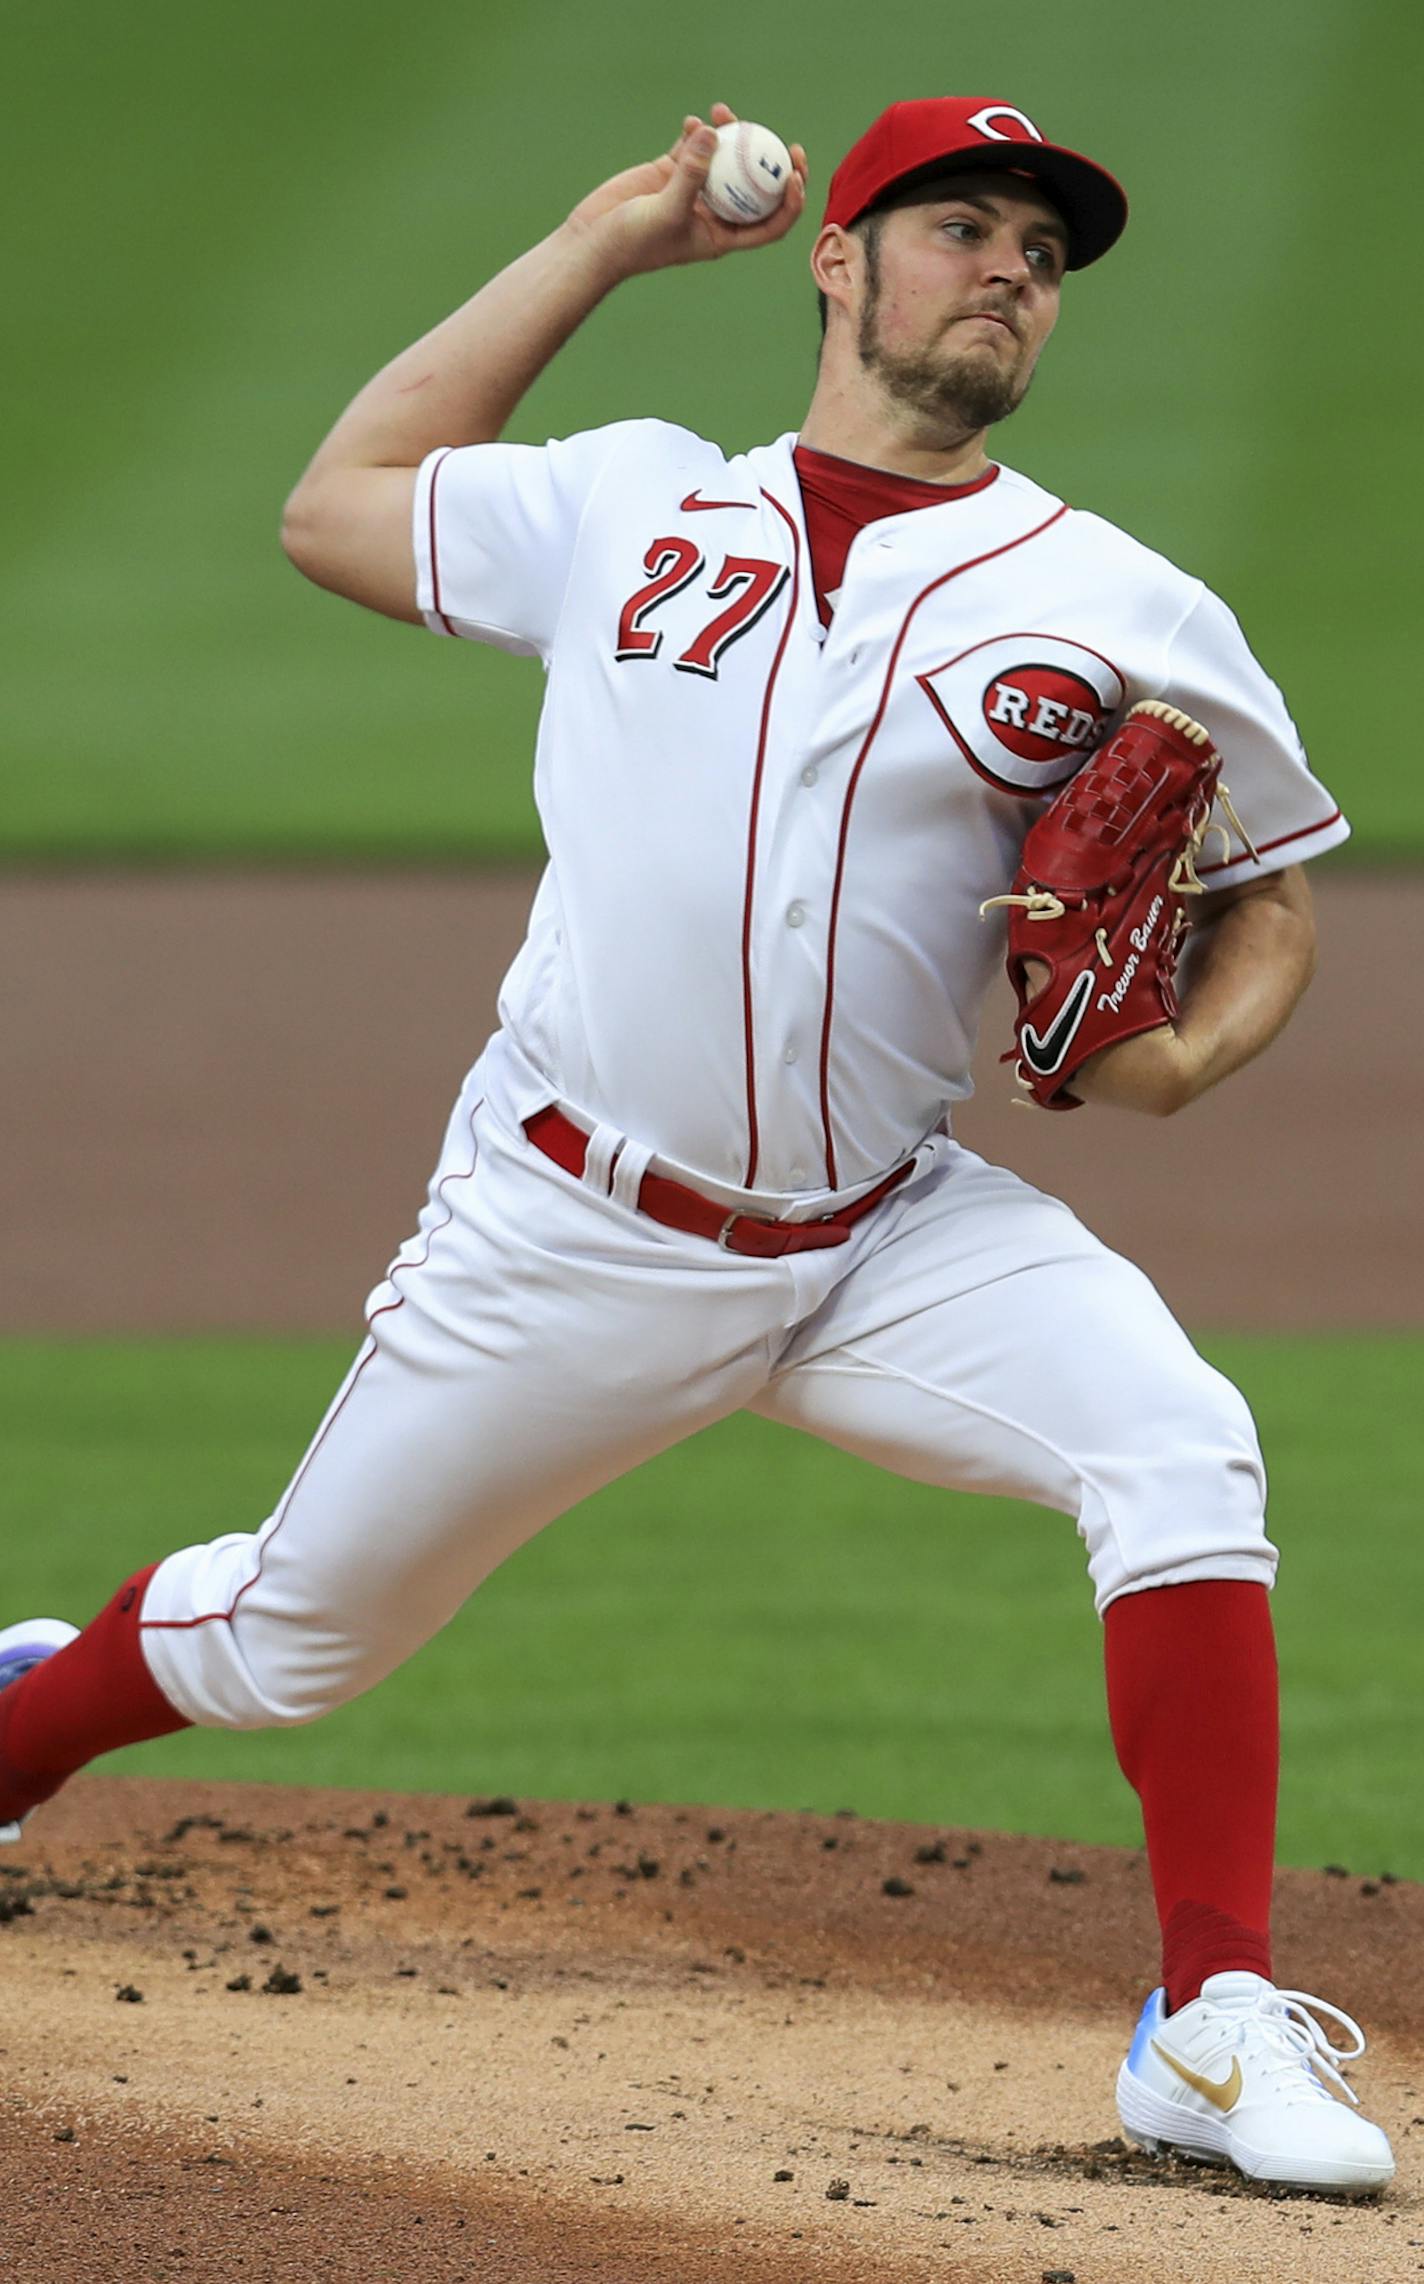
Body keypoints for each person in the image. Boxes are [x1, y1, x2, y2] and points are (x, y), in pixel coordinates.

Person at [0, 97, 1393, 2193]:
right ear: (836, 261)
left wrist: (1189, 1055)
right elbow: (336, 504)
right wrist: (599, 240)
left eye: (1040, 245)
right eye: (957, 226)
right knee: (285, 1642)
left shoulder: (1120, 598)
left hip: (886, 1228)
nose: (1008, 264)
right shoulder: (634, 506)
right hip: (567, 1228)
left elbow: (1274, 880)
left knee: (1175, 1443)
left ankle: (1205, 2020)